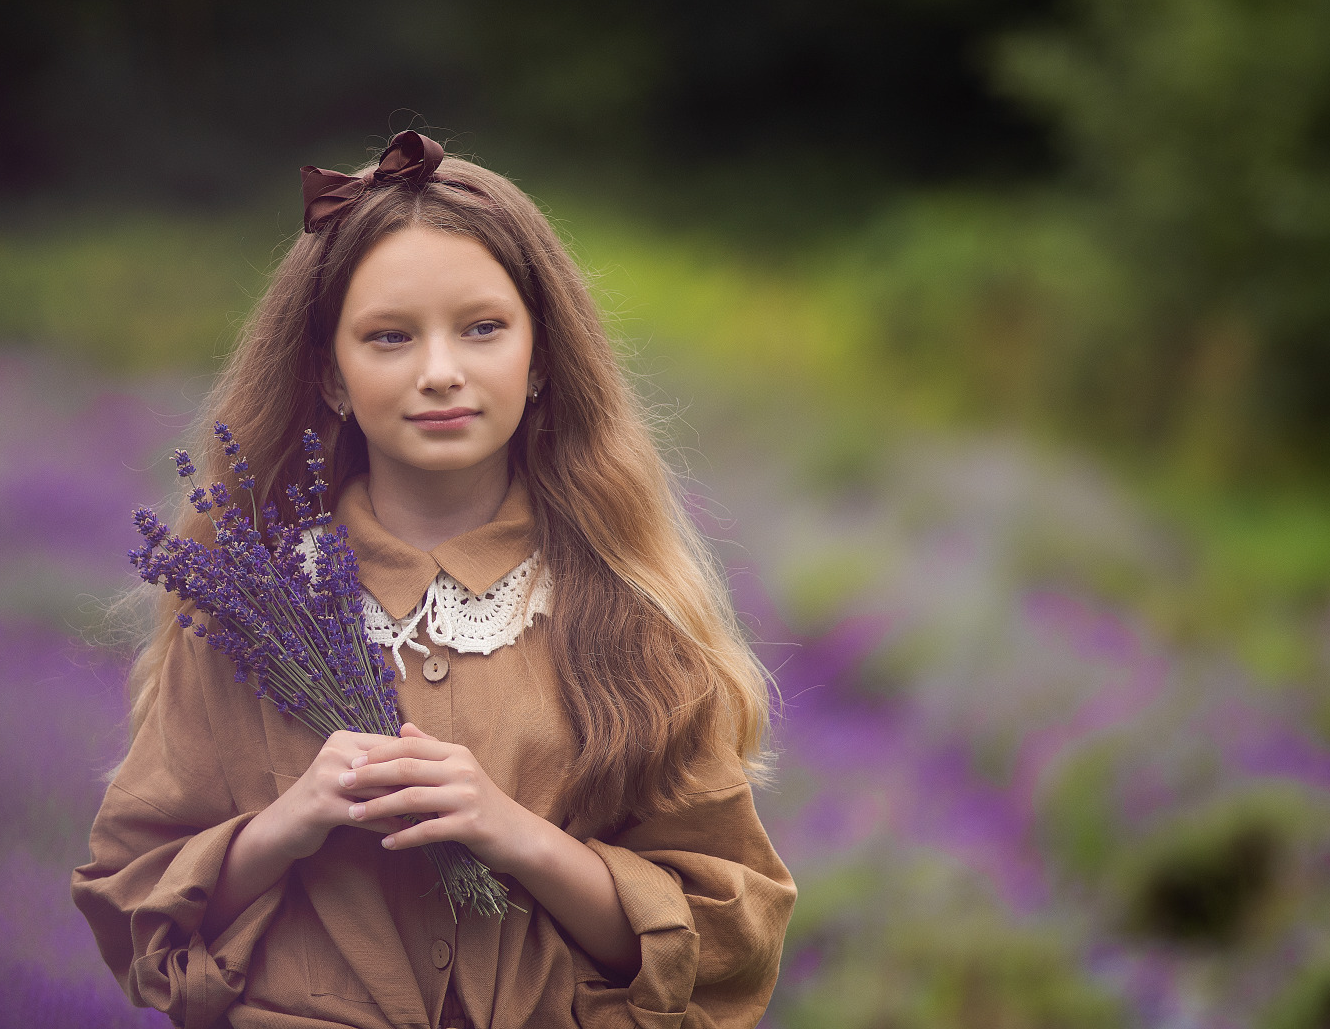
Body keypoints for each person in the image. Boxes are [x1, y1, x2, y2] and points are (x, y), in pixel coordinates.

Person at [72, 130, 796, 1029]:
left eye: (483, 328)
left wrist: (514, 834)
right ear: (330, 376)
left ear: (540, 360)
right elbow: (134, 911)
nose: (440, 372)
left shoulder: (627, 614)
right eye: (388, 337)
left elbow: (724, 941)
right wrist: (287, 824)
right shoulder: (245, 610)